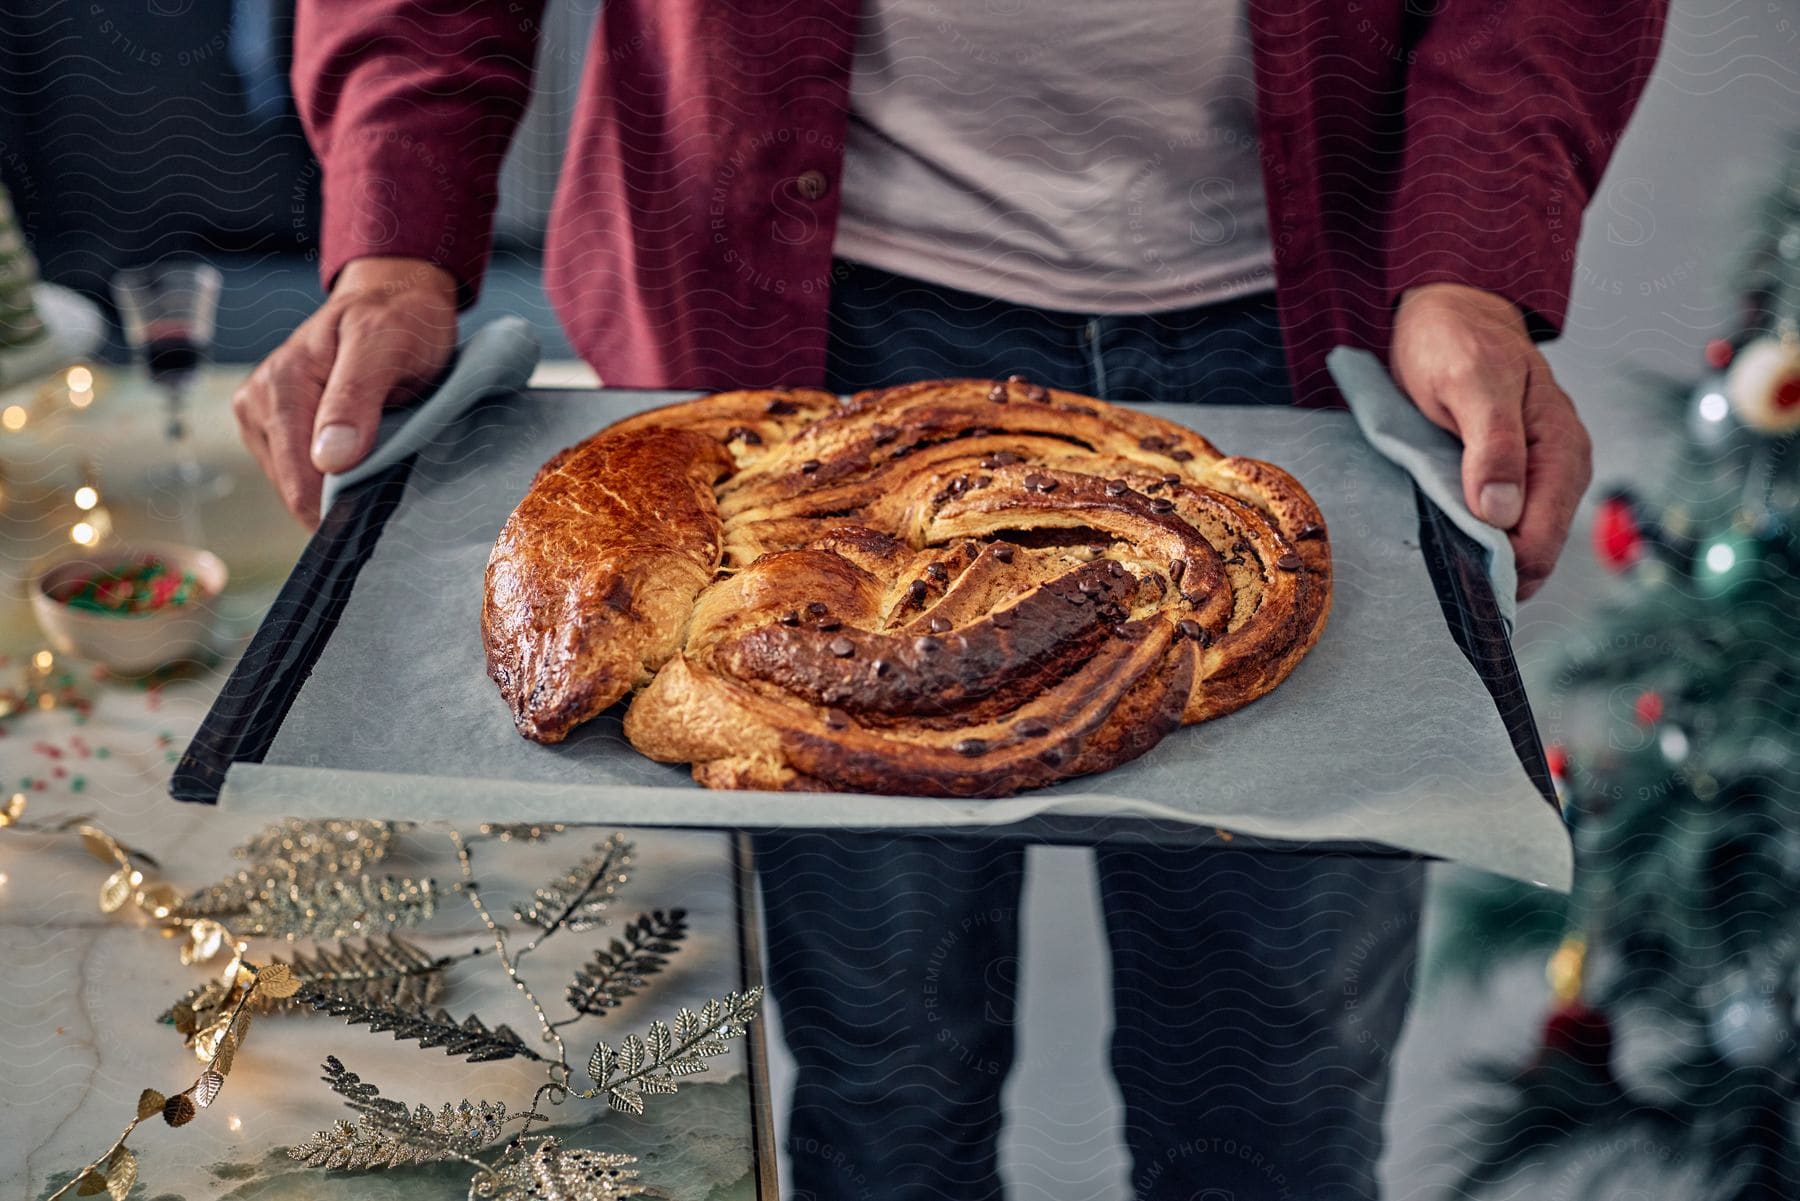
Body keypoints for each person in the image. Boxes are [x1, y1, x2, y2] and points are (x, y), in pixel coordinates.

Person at [236, 4, 1667, 1197]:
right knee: (883, 1078)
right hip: (792, 325)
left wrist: (1476, 260)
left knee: (1275, 1100)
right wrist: (395, 237)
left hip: (1305, 325)